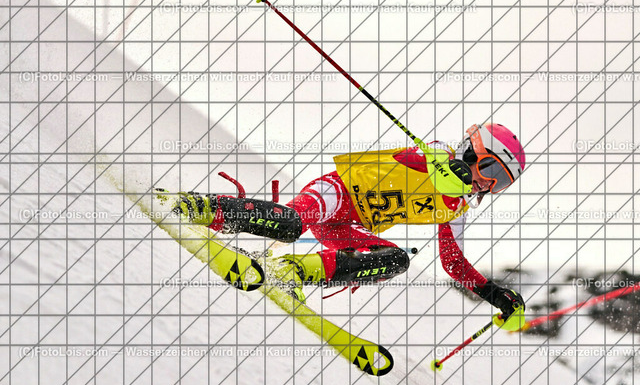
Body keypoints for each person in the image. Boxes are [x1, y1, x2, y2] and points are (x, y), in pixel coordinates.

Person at [173, 123, 526, 320]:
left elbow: (452, 261)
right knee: (291, 224)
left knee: (395, 260)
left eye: (501, 183)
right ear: (472, 149)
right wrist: (448, 164)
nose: (488, 185)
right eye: (491, 170)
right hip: (336, 193)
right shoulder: (436, 152)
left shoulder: (457, 207)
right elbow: (424, 162)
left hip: (349, 228)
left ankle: (291, 271)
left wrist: (493, 294)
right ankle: (202, 208)